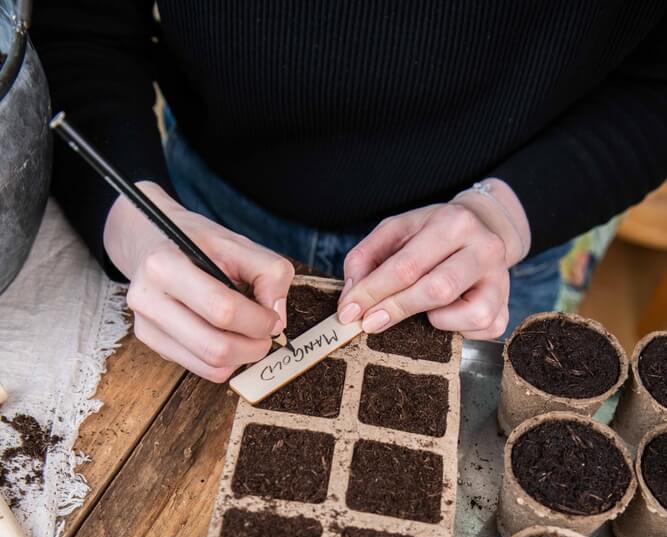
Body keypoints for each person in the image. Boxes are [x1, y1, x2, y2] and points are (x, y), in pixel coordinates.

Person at [33, 3, 667, 383]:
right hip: (201, 217)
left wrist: (504, 214)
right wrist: (141, 225)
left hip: (479, 264)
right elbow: (75, 31)